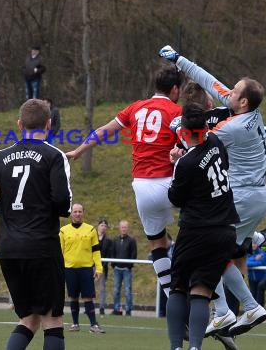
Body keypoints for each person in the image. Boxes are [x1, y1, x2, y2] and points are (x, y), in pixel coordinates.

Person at [161, 45, 266, 337]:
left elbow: (198, 140)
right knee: (220, 251)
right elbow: (207, 79)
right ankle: (254, 249)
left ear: (242, 103)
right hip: (253, 197)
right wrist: (179, 60)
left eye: (234, 90)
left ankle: (230, 310)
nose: (229, 92)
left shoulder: (234, 128)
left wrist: (180, 135)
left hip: (240, 198)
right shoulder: (251, 113)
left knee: (206, 250)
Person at [66, 66, 183, 305]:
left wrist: (79, 150)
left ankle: (173, 300)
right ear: (174, 89)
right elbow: (193, 143)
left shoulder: (135, 108)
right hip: (169, 183)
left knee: (157, 243)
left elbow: (104, 131)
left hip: (141, 186)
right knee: (206, 219)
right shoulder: (176, 111)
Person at [0, 99, 72, 350]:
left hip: (9, 249)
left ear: (19, 124)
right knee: (52, 320)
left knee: (28, 319)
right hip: (41, 248)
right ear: (49, 124)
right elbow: (62, 202)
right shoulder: (53, 155)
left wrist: (5, 213)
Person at [167, 102, 240, 350]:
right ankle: (196, 347)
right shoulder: (217, 143)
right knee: (202, 290)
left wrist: (176, 163)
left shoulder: (186, 164)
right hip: (224, 230)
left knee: (178, 286)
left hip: (196, 230)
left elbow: (175, 198)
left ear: (186, 133)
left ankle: (177, 346)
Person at [59, 203, 105, 333]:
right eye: (75, 211)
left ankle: (93, 325)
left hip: (86, 269)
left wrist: (99, 268)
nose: (77, 214)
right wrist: (59, 269)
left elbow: (96, 251)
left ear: (83, 213)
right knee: (73, 297)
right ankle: (75, 324)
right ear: (71, 213)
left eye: (80, 211)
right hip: (69, 269)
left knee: (88, 297)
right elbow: (60, 252)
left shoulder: (90, 230)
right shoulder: (63, 231)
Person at [111, 220, 137, 316]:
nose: (124, 229)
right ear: (119, 228)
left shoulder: (131, 241)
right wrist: (113, 264)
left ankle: (128, 310)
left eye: (125, 227)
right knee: (116, 290)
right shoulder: (115, 240)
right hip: (117, 269)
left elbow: (134, 254)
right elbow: (112, 253)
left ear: (128, 228)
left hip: (127, 270)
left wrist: (129, 266)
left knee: (127, 290)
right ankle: (116, 309)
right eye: (122, 227)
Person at [97, 218, 113, 315]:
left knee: (102, 288)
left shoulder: (108, 241)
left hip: (102, 267)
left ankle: (102, 307)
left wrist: (103, 266)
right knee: (89, 287)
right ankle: (88, 306)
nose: (103, 227)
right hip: (91, 266)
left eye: (105, 226)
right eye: (101, 225)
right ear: (98, 226)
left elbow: (109, 254)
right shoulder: (92, 238)